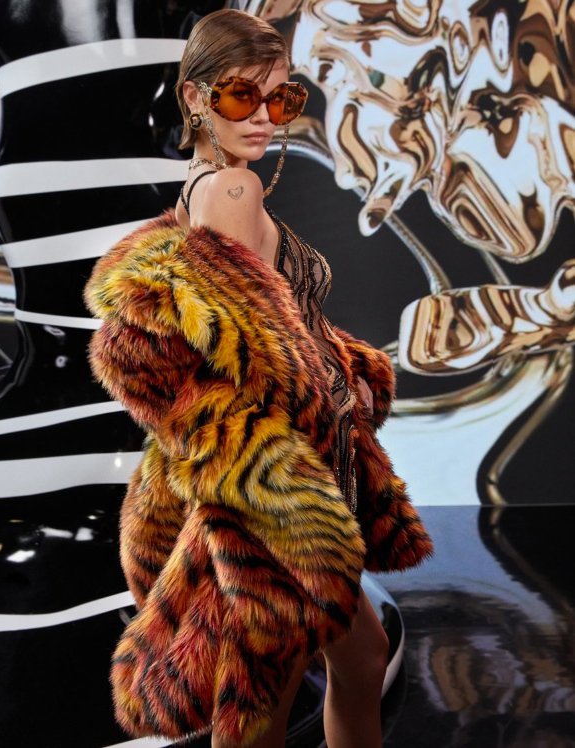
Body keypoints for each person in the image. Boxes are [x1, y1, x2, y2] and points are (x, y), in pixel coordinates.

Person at [83, 9, 433, 748]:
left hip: (295, 461)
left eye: (283, 98)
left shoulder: (204, 189)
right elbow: (248, 355)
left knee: (356, 657)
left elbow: (264, 328)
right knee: (264, 690)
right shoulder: (232, 191)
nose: (266, 117)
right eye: (244, 95)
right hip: (282, 477)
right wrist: (327, 396)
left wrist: (344, 370)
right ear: (196, 97)